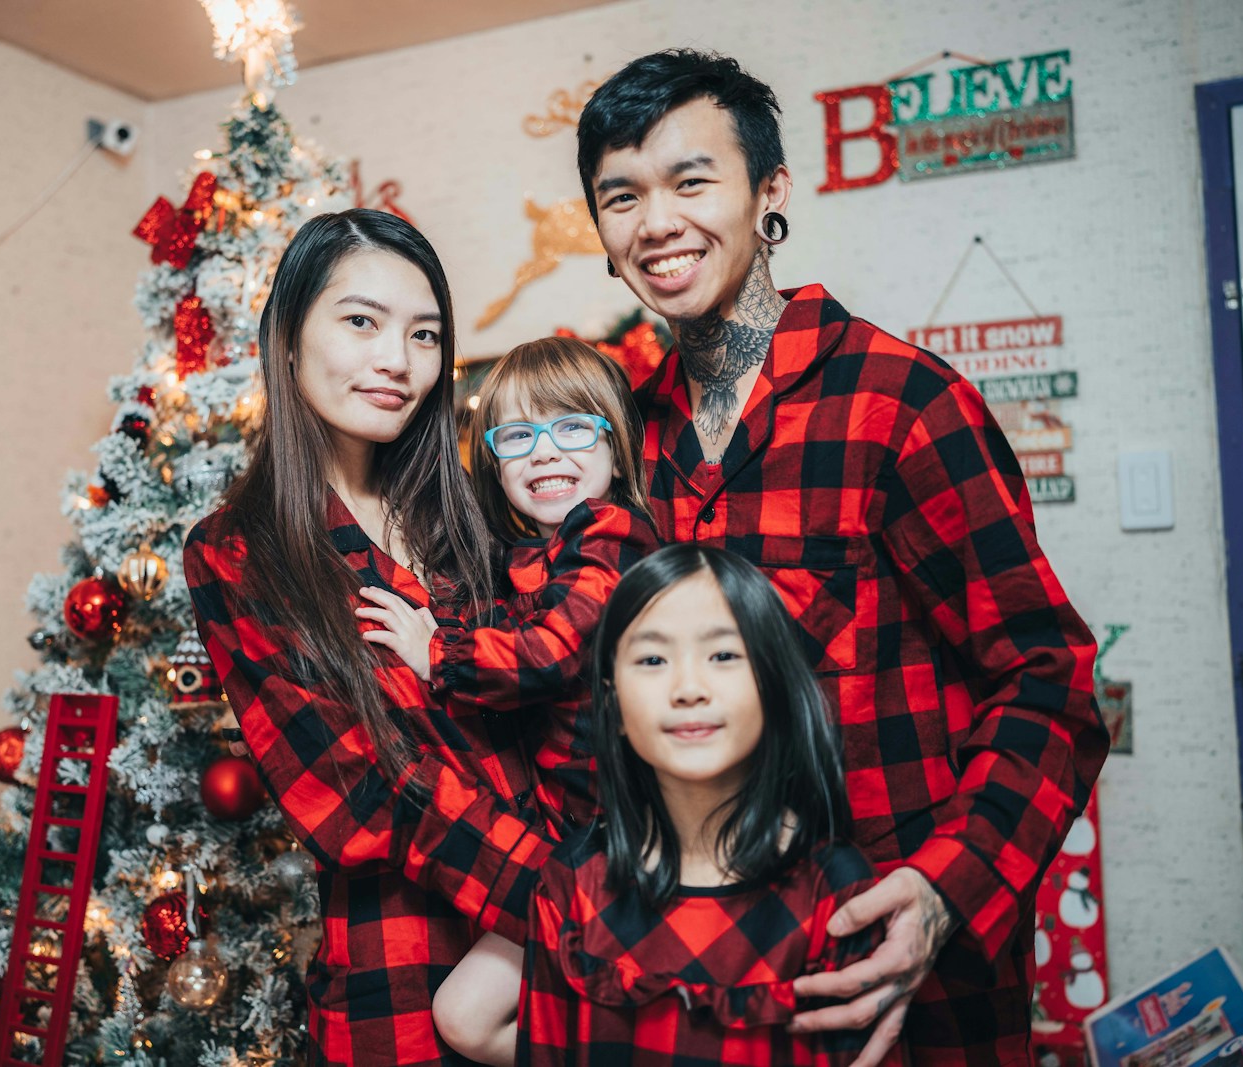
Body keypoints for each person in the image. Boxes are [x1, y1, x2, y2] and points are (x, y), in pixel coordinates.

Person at [575, 50, 1107, 1066]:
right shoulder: (623, 444)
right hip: (712, 978)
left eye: (691, 180)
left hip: (903, 977)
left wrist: (949, 891)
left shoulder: (901, 405)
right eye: (620, 196)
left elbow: (1048, 681)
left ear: (769, 192)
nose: (654, 222)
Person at [184, 209, 555, 1066]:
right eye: (361, 321)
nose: (398, 360)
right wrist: (581, 895)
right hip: (406, 983)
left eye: (424, 334)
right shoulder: (240, 551)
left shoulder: (476, 515)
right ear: (287, 336)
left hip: (566, 966)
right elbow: (361, 795)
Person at [410, 544, 898, 1065]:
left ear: (772, 684)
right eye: (652, 659)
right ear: (613, 702)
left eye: (724, 655)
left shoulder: (835, 892)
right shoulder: (572, 886)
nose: (688, 687)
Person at [356, 336, 658, 1065]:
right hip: (565, 845)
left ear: (616, 449)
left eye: (574, 428)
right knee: (463, 1017)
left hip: (630, 837)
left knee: (471, 1014)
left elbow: (557, 648)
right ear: (492, 459)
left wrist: (437, 652)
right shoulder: (524, 560)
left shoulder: (617, 536)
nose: (546, 453)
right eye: (519, 435)